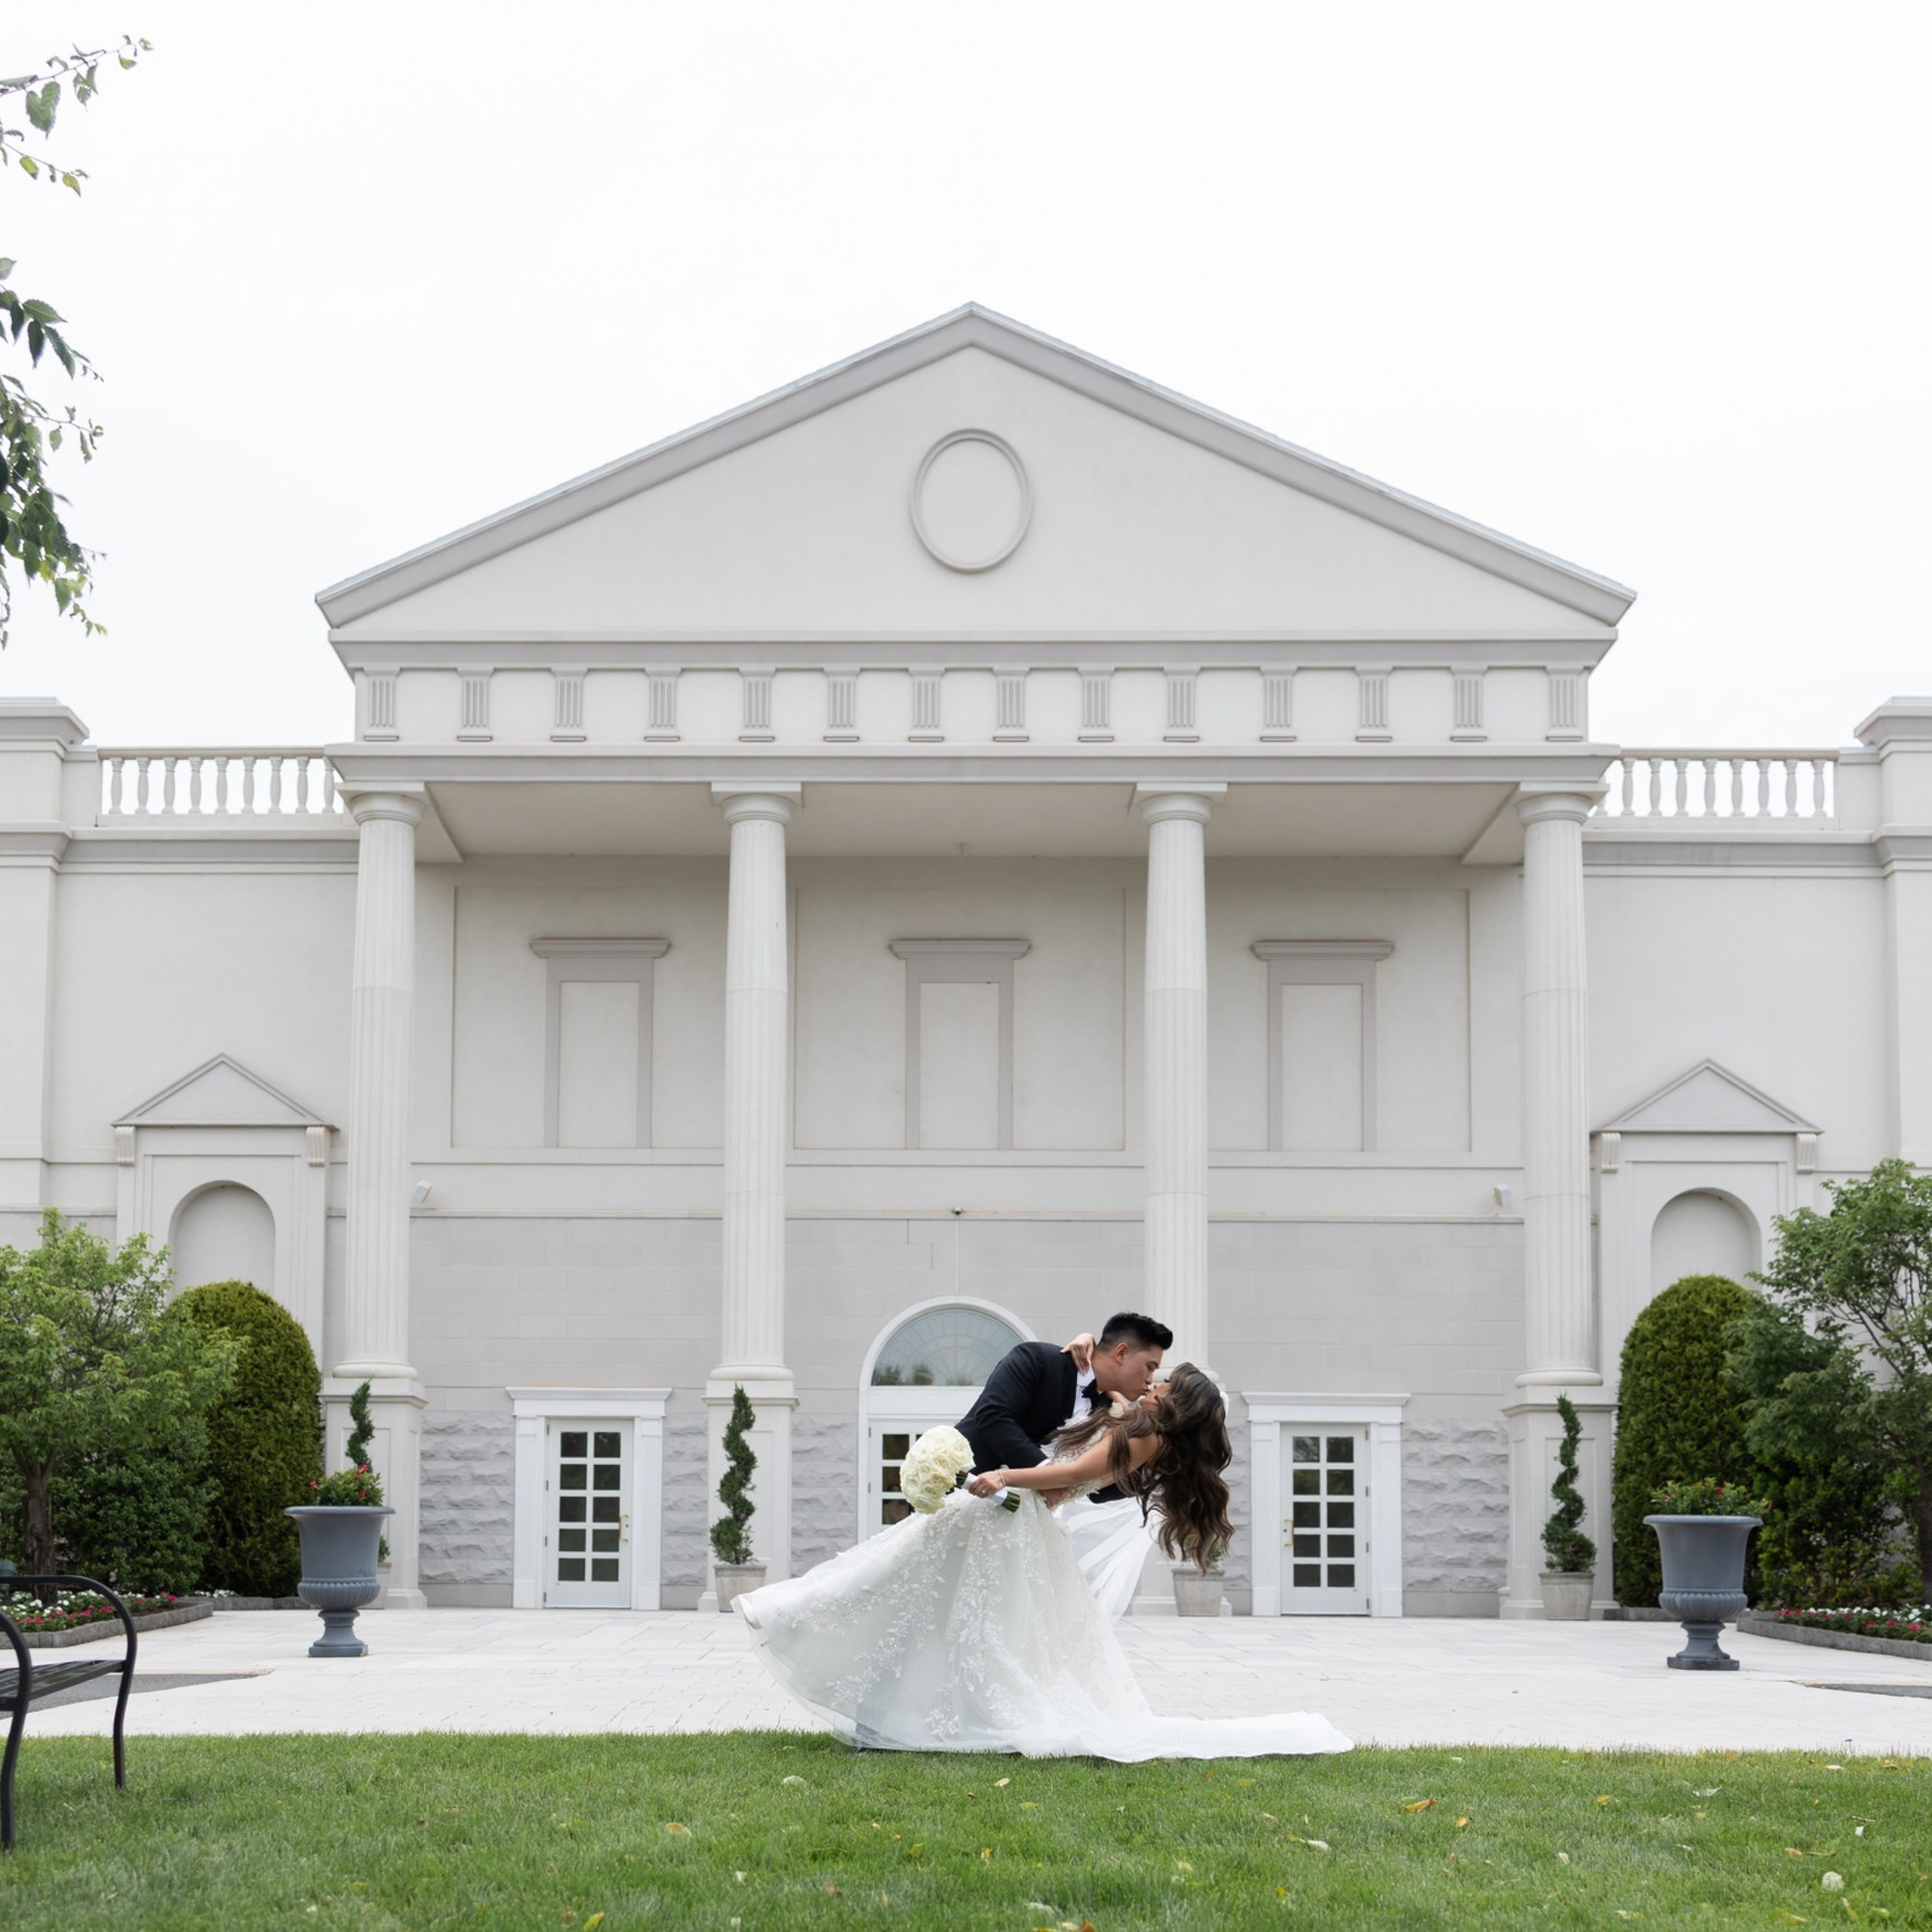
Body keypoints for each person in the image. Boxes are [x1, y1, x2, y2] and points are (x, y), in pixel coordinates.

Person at [736, 1364, 1352, 1761]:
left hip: (1013, 1523)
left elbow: (1073, 1473)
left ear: (1177, 1401)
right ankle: (873, 1695)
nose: (1156, 1382)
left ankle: (806, 1632)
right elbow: (1097, 1428)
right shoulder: (1141, 1426)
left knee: (923, 1596)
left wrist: (1001, 1472)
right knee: (923, 1596)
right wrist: (1083, 1358)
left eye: (1166, 1382)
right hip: (1019, 1524)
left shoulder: (1145, 1435)